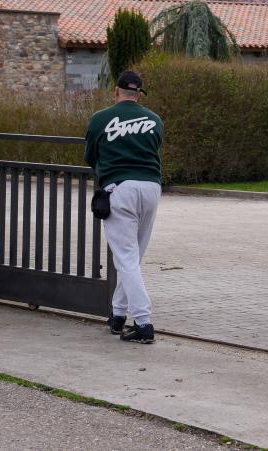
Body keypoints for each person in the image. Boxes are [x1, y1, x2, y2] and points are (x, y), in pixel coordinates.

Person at [84, 70, 164, 344]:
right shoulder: (154, 120)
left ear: (116, 92)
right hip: (151, 187)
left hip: (120, 189)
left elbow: (90, 156)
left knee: (127, 259)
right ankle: (118, 315)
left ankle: (143, 322)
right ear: (139, 94)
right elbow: (154, 148)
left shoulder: (100, 119)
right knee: (133, 258)